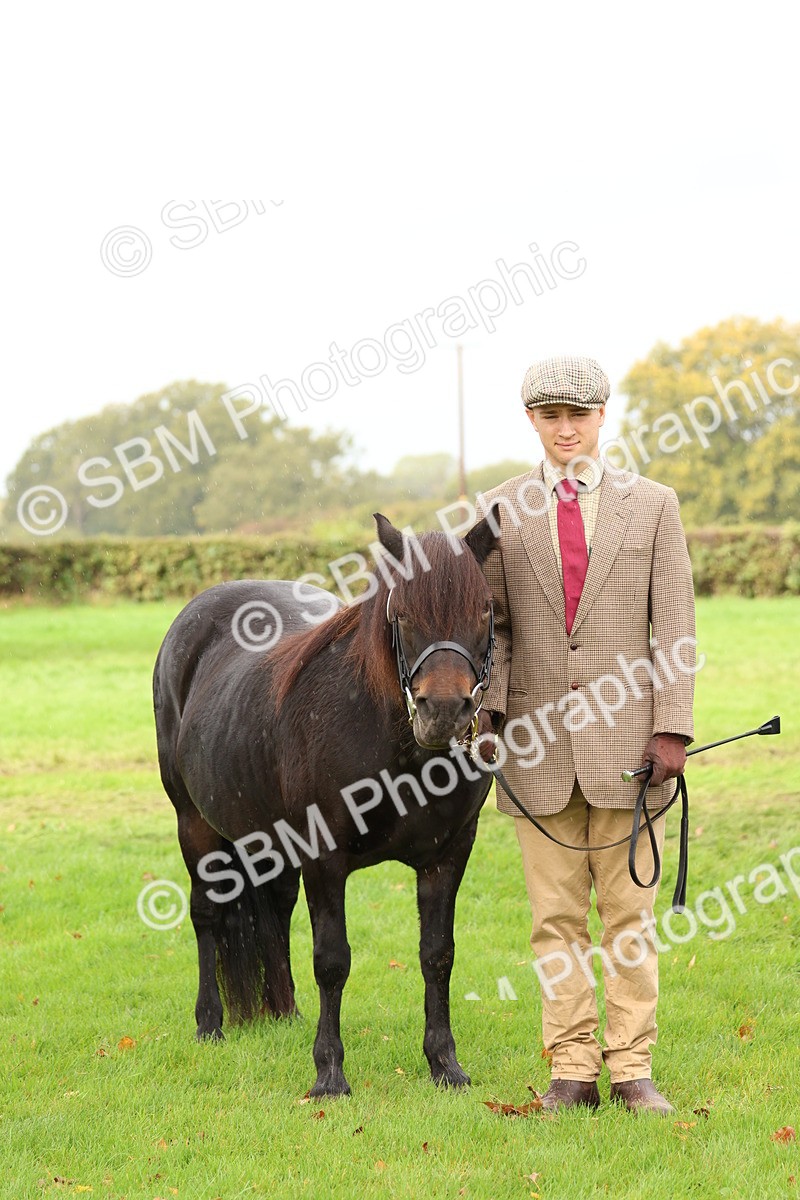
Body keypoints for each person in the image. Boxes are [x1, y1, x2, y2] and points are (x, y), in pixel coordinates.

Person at [477, 355, 696, 1115]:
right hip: (536, 754)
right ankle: (571, 1071)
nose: (565, 429)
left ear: (604, 416)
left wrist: (672, 728)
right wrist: (491, 718)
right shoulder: (499, 509)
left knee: (628, 918)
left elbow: (675, 627)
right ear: (531, 421)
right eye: (550, 416)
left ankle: (632, 1068)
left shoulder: (655, 506)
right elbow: (494, 629)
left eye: (579, 414)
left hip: (632, 752)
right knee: (555, 920)